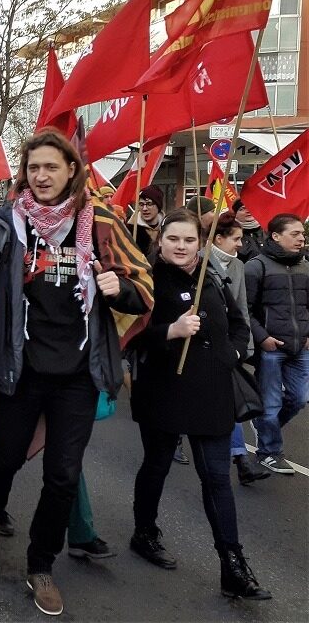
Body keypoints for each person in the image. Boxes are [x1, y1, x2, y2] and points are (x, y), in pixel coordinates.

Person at [0, 129, 152, 616]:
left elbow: (142, 289)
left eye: (52, 167)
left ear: (72, 170)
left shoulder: (104, 224)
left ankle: (40, 564)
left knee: (63, 476)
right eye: (34, 168)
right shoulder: (6, 224)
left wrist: (119, 289)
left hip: (79, 374)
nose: (42, 176)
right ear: (24, 174)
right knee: (5, 459)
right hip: (21, 369)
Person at [129, 209, 270, 600]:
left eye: (189, 240)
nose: (182, 246)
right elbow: (129, 336)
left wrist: (233, 353)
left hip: (213, 392)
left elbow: (240, 321)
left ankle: (233, 564)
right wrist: (169, 332)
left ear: (200, 243)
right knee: (156, 465)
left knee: (216, 479)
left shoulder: (212, 274)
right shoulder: (146, 278)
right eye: (174, 239)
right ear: (161, 240)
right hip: (164, 390)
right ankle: (144, 531)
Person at [206, 212, 270, 486]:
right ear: (218, 238)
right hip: (198, 342)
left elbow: (242, 309)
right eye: (235, 239)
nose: (240, 245)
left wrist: (245, 348)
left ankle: (241, 459)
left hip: (226, 346)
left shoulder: (239, 267)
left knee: (227, 399)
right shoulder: (197, 262)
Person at [246, 213, 309, 475]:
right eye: (295, 234)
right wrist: (263, 338)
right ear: (275, 235)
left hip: (301, 347)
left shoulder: (306, 267)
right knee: (271, 404)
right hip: (272, 348)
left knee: (299, 399)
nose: (301, 239)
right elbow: (244, 310)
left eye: (302, 235)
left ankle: (263, 427)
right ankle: (270, 453)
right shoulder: (255, 267)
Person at [130, 185, 164, 256]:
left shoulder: (167, 228)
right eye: (141, 204)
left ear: (158, 206)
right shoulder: (129, 230)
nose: (144, 209)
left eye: (149, 204)